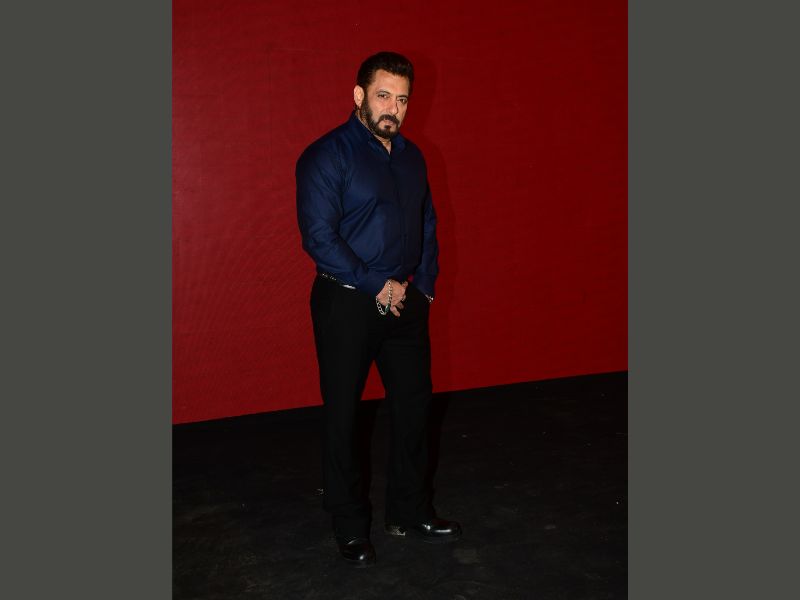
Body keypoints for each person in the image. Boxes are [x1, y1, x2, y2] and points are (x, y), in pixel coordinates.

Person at [295, 51, 461, 567]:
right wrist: (376, 285)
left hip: (405, 302)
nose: (394, 108)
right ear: (358, 95)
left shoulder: (412, 157)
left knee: (414, 409)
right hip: (347, 302)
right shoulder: (326, 155)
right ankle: (349, 525)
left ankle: (409, 512)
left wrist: (423, 287)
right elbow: (319, 237)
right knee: (343, 416)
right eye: (384, 95)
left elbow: (427, 222)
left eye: (402, 99)